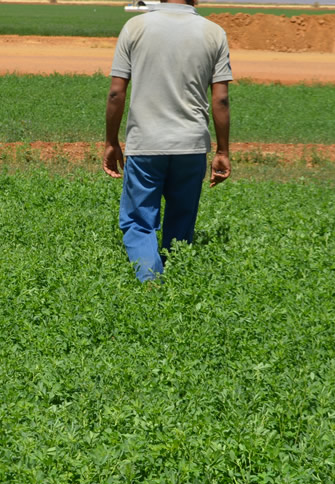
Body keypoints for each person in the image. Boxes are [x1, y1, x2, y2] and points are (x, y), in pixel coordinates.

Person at [103, 0, 232, 283]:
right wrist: (223, 150)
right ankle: (177, 282)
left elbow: (116, 93)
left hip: (146, 142)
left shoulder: (135, 27)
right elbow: (220, 98)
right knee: (182, 218)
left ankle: (152, 284)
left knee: (138, 221)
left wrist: (111, 141)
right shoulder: (214, 33)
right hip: (192, 144)